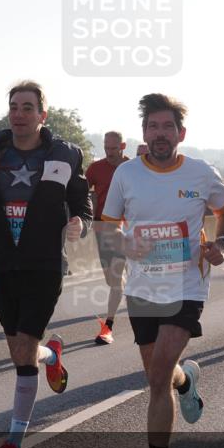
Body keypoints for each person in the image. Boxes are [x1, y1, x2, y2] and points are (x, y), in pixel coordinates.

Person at [101, 93, 224, 448]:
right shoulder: (126, 175)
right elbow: (107, 230)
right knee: (160, 376)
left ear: (181, 133)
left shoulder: (199, 172)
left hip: (186, 288)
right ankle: (187, 379)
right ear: (144, 134)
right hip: (143, 290)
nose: (160, 134)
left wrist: (223, 241)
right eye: (153, 127)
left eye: (168, 127)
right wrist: (124, 246)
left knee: (157, 377)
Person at [0, 81, 92, 448]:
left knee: (23, 350)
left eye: (27, 107)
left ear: (43, 115)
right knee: (19, 353)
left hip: (44, 264)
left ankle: (13, 444)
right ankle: (51, 355)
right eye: (14, 107)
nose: (19, 113)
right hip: (4, 266)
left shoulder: (65, 155)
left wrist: (79, 224)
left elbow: (82, 203)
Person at [86, 131, 130, 344]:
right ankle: (123, 283)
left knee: (116, 274)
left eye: (114, 148)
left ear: (122, 146)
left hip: (124, 226)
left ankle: (109, 325)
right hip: (102, 226)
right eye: (106, 148)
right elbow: (81, 192)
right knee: (111, 279)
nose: (110, 152)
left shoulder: (134, 168)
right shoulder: (96, 168)